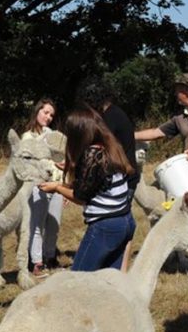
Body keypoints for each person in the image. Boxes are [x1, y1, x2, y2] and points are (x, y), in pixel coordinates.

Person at [39, 106, 136, 272]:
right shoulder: (108, 147)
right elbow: (94, 185)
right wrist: (72, 171)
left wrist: (56, 187)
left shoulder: (92, 155)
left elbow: (80, 196)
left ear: (78, 133)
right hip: (125, 221)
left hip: (106, 226)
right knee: (109, 280)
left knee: (78, 279)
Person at [77, 78, 141, 271]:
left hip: (122, 180)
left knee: (115, 222)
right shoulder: (116, 113)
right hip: (125, 177)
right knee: (122, 223)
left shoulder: (109, 119)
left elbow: (99, 153)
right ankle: (115, 272)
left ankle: (119, 272)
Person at [23, 98, 64, 277]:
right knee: (37, 224)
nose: (48, 117)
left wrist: (63, 185)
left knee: (54, 224)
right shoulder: (28, 136)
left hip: (56, 185)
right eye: (45, 112)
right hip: (38, 185)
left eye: (51, 115)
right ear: (37, 111)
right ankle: (36, 263)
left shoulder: (54, 136)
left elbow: (60, 159)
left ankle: (50, 257)